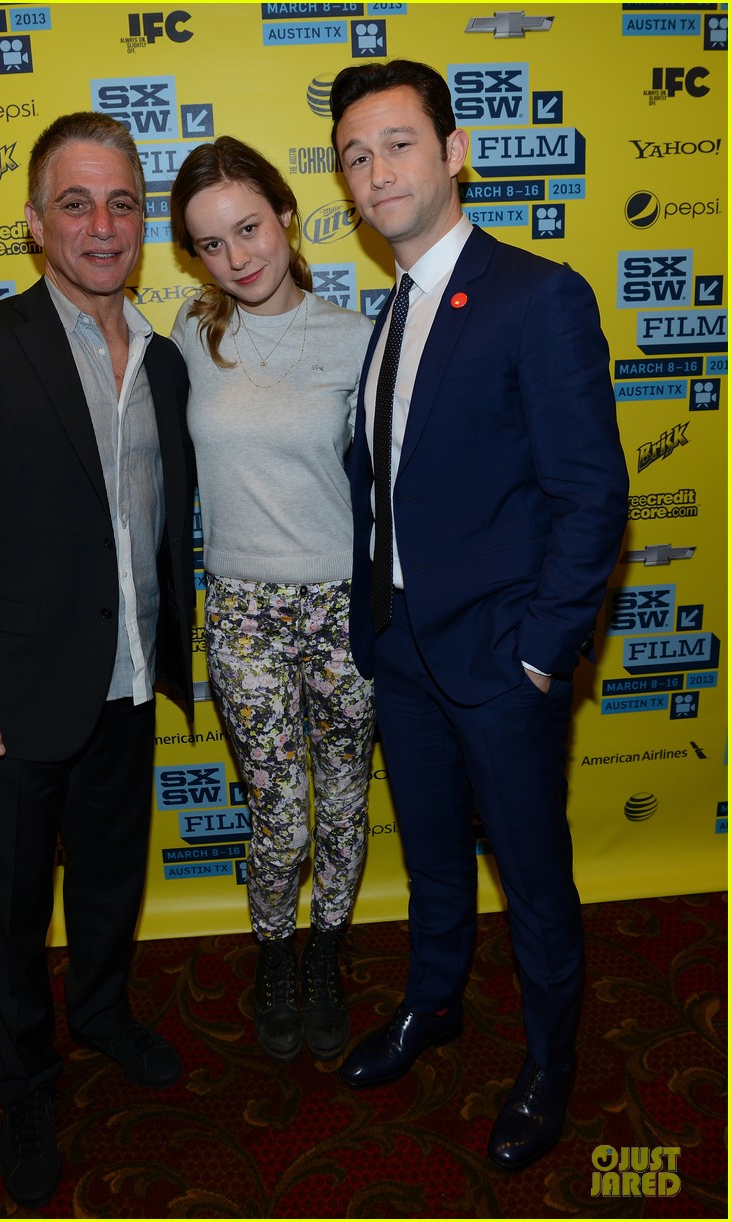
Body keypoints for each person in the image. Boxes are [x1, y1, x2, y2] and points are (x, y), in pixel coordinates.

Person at [328, 61, 629, 1171]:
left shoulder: (536, 295)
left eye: (399, 143)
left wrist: (541, 656)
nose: (377, 171)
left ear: (455, 152)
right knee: (434, 862)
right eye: (356, 156)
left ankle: (550, 1063)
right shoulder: (391, 308)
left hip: (502, 662)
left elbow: (591, 497)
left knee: (534, 884)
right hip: (402, 648)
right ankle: (434, 1002)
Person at [0, 112, 195, 1208]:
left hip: (129, 680)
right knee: (15, 908)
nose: (101, 225)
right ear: (34, 222)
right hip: (13, 694)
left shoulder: (165, 362)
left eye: (121, 204)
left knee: (112, 882)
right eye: (76, 204)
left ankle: (104, 1012)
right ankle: (22, 1080)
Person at [168, 137, 376, 1064]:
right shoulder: (189, 336)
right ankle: (273, 953)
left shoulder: (358, 339)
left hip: (342, 607)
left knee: (344, 800)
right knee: (280, 813)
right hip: (243, 610)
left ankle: (326, 952)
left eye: (249, 228)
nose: (237, 257)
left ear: (287, 217)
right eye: (211, 244)